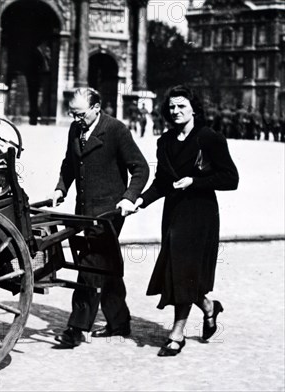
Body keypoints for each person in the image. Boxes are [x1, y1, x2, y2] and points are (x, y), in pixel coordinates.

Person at [134, 85, 239, 356]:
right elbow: (162, 183)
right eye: (171, 107)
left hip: (200, 213)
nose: (176, 111)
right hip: (174, 212)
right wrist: (140, 201)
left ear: (193, 108)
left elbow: (231, 179)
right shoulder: (165, 141)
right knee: (180, 270)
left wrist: (196, 181)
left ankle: (176, 334)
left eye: (181, 106)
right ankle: (207, 307)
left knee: (183, 270)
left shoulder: (209, 138)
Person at [52, 87, 150, 347]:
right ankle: (119, 321)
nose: (76, 119)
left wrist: (129, 198)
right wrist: (61, 188)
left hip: (109, 210)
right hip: (84, 208)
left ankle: (76, 327)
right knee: (105, 263)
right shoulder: (76, 129)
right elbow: (70, 163)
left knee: (90, 262)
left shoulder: (115, 129)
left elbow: (140, 168)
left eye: (80, 114)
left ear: (96, 108)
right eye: (72, 114)